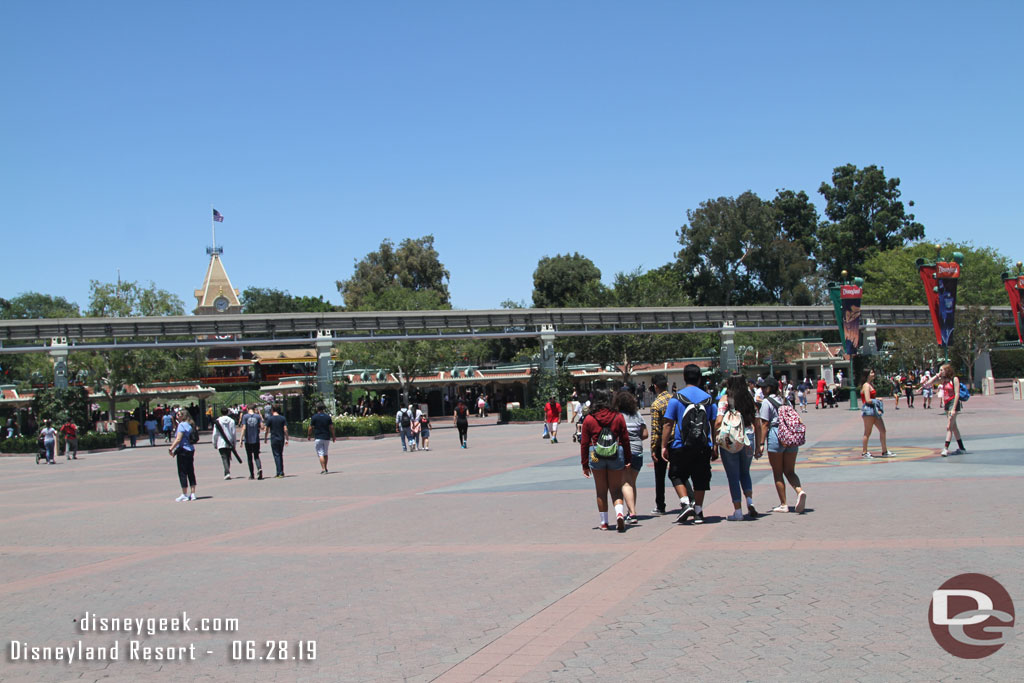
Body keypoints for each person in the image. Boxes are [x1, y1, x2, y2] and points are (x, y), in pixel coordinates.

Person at [662, 364, 717, 524]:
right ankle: (698, 512)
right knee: (700, 478)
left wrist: (664, 446)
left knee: (676, 474)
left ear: (684, 378)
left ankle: (685, 502)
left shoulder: (676, 398)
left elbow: (668, 424)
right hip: (703, 445)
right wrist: (714, 446)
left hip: (681, 445)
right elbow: (714, 424)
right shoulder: (708, 399)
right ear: (700, 378)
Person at [580, 389, 632, 532]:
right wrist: (628, 459)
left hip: (596, 455)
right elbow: (625, 440)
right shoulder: (618, 417)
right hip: (616, 454)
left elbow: (584, 443)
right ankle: (620, 513)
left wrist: (585, 465)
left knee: (601, 491)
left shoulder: (589, 418)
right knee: (615, 490)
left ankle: (604, 522)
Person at [757, 377, 806, 513]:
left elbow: (765, 424)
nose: (761, 389)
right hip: (790, 435)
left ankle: (784, 504)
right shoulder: (786, 400)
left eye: (763, 387)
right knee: (790, 471)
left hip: (776, 435)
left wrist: (761, 443)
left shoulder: (766, 402)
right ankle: (799, 491)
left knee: (778, 472)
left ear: (768, 388)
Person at [715, 373, 759, 520]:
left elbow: (718, 421)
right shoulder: (749, 400)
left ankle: (738, 511)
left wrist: (716, 437)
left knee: (733, 476)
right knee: (745, 472)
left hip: (731, 439)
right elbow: (757, 423)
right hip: (749, 437)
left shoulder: (725, 400)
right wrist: (759, 445)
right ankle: (750, 501)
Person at [648, 374, 687, 516]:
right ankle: (688, 500)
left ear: (655, 387)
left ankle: (660, 505)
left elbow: (656, 429)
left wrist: (653, 448)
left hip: (662, 444)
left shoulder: (656, 404)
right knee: (680, 473)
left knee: (660, 475)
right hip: (677, 441)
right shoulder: (676, 400)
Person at [614, 390, 647, 524]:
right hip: (638, 451)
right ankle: (630, 510)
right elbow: (645, 434)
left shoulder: (617, 416)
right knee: (632, 482)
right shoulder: (638, 415)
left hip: (624, 452)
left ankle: (632, 513)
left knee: (625, 483)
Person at [925, 364, 967, 456]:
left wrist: (954, 408)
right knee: (954, 427)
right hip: (947, 404)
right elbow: (928, 383)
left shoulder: (954, 379)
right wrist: (937, 375)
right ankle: (962, 448)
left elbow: (957, 394)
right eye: (939, 370)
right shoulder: (943, 380)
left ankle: (945, 448)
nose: (940, 372)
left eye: (942, 370)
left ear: (947, 370)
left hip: (953, 404)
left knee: (949, 427)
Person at [859, 369, 893, 458]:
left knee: (883, 430)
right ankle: (864, 452)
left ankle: (884, 451)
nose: (873, 374)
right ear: (867, 374)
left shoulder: (870, 385)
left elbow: (871, 398)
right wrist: (877, 400)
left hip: (874, 410)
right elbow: (867, 400)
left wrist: (876, 399)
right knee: (867, 432)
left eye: (873, 372)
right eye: (871, 373)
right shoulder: (866, 386)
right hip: (868, 411)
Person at [168, 408, 197, 501]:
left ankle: (184, 494)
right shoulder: (190, 424)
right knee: (191, 471)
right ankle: (193, 493)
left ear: (183, 416)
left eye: (178, 415)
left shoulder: (181, 425)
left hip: (183, 450)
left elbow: (178, 439)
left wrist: (171, 448)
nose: (177, 416)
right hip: (190, 449)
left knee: (182, 472)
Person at [307, 403, 335, 474]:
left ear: (317, 409)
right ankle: (325, 467)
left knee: (320, 453)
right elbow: (331, 427)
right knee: (325, 453)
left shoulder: (314, 417)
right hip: (326, 437)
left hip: (318, 437)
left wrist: (309, 435)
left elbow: (310, 427)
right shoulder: (327, 417)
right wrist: (333, 436)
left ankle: (323, 469)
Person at [264, 405, 289, 477]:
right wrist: (287, 438)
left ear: (272, 410)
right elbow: (285, 429)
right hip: (281, 438)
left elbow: (266, 430)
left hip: (274, 438)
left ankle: (279, 472)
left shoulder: (270, 419)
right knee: (280, 454)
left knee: (276, 455)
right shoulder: (282, 418)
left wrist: (265, 438)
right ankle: (281, 470)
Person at [212, 407, 237, 480]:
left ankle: (227, 472)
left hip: (220, 441)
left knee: (224, 457)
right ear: (228, 412)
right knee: (228, 457)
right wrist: (234, 443)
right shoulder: (231, 421)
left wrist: (214, 443)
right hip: (229, 441)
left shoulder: (218, 421)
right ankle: (227, 471)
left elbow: (215, 433)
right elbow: (234, 433)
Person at [241, 405, 264, 479]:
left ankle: (252, 474)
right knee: (256, 456)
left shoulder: (245, 416)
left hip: (248, 439)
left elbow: (244, 428)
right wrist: (260, 415)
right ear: (254, 409)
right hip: (256, 439)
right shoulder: (257, 416)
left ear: (247, 409)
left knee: (249, 457)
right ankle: (259, 468)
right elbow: (262, 427)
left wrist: (241, 439)